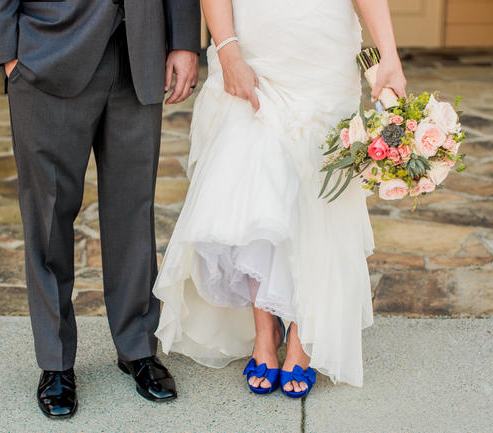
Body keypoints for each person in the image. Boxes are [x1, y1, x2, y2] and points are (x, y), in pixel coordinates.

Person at [153, 0, 407, 397]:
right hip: (253, 46)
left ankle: (304, 334)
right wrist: (227, 48)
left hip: (322, 50)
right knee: (257, 191)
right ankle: (264, 333)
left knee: (317, 194)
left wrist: (388, 53)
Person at [0, 0, 200, 418]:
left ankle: (137, 347)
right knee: (48, 216)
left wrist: (184, 41)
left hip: (139, 53)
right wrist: (7, 53)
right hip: (47, 51)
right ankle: (55, 362)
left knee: (134, 210)